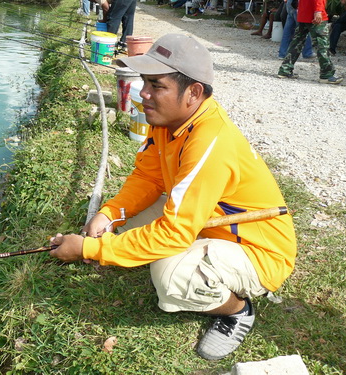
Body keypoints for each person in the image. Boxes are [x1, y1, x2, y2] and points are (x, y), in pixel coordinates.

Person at [50, 34, 297, 360]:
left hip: (256, 250)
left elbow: (174, 232)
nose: (144, 94)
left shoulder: (210, 141)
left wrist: (91, 249)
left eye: (157, 85)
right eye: (145, 82)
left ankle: (236, 311)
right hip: (208, 221)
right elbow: (148, 177)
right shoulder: (167, 119)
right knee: (124, 224)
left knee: (170, 276)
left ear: (193, 92)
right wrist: (109, 213)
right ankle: (174, 252)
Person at [277, 0, 343, 83]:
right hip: (314, 14)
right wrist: (318, 10)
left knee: (297, 42)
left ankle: (285, 70)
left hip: (303, 13)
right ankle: (326, 74)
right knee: (322, 44)